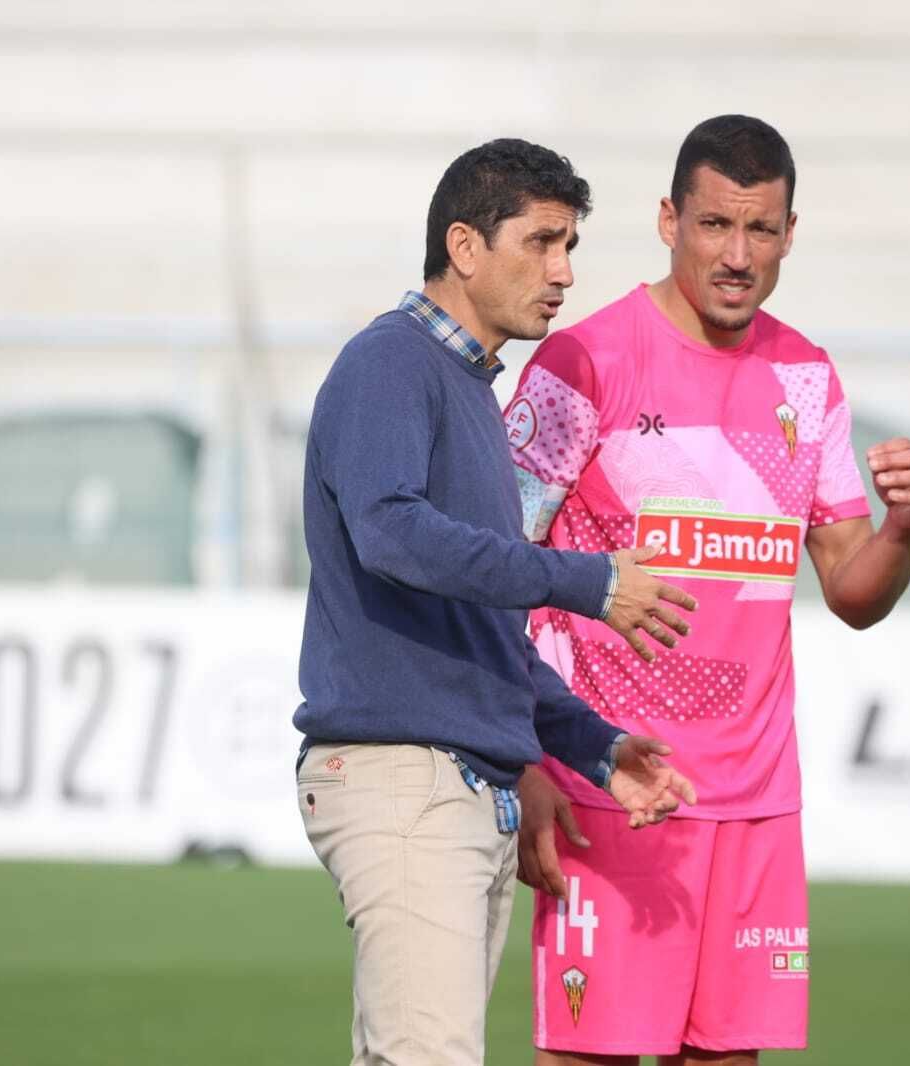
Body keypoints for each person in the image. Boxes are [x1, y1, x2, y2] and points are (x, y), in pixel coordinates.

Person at [505, 116, 910, 1064]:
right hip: (611, 782)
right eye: (714, 226)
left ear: (791, 233)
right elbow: (492, 569)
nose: (737, 255)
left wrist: (904, 527)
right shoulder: (583, 364)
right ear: (668, 220)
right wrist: (528, 761)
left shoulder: (807, 378)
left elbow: (854, 591)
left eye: (761, 230)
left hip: (754, 798)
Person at [294, 138, 700, 1066]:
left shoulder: (470, 389)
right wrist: (585, 581)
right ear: (466, 246)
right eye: (542, 242)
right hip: (405, 780)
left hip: (461, 786)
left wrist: (589, 743)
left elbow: (481, 626)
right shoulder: (391, 363)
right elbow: (391, 534)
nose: (563, 273)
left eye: (571, 247)